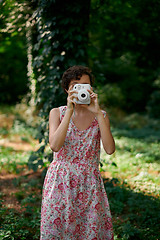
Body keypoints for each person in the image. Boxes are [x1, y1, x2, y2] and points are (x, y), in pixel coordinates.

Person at [40, 65, 115, 240]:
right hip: (60, 182)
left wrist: (98, 114)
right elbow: (55, 146)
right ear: (67, 89)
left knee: (89, 232)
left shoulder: (101, 115)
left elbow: (110, 149)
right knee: (56, 230)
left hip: (89, 184)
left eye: (86, 85)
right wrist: (70, 111)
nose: (81, 89)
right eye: (76, 85)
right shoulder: (56, 113)